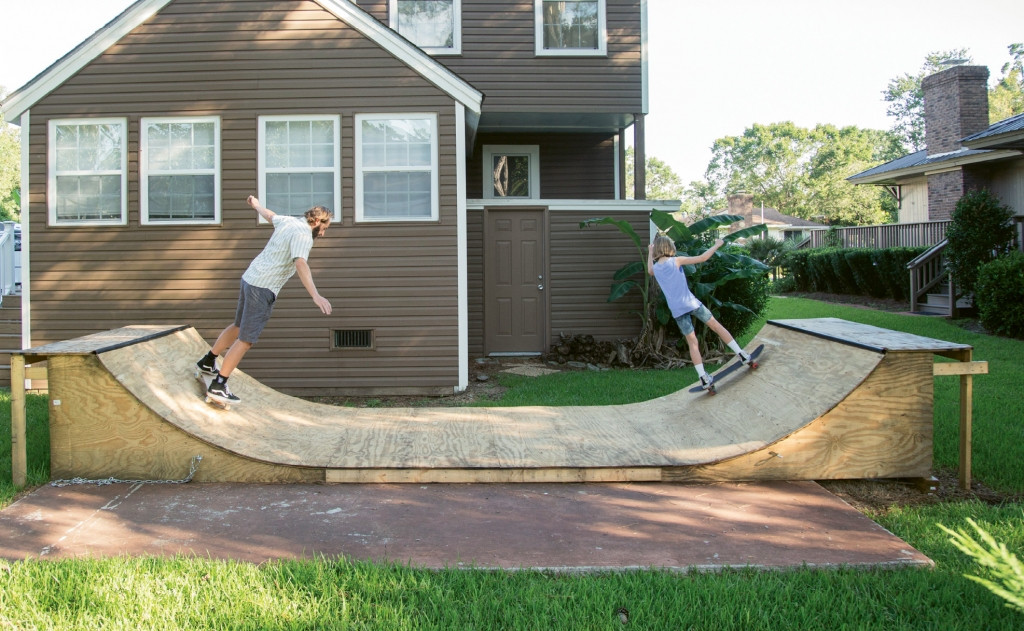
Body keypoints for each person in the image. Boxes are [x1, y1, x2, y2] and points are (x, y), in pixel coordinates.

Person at [196, 195, 333, 404]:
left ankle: (208, 361)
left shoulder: (289, 221)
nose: (322, 234)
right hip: (262, 288)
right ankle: (219, 385)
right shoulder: (304, 235)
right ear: (316, 222)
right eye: (323, 228)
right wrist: (315, 295)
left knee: (238, 325)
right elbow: (300, 263)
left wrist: (256, 205)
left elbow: (270, 216)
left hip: (250, 278)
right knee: (246, 339)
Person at [647, 234, 752, 391]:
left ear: (657, 250)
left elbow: (649, 270)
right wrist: (717, 245)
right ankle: (742, 354)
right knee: (716, 326)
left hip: (677, 310)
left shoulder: (656, 268)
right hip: (691, 304)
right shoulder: (676, 261)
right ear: (669, 248)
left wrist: (650, 252)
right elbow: (702, 258)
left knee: (692, 343)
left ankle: (703, 378)